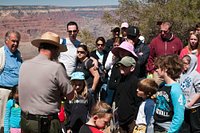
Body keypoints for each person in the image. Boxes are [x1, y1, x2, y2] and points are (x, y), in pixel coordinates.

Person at [18, 32, 74, 133]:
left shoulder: (24, 65)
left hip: (25, 121)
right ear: (55, 50)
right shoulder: (56, 68)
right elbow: (70, 95)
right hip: (46, 123)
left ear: (40, 48)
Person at [154, 54, 185, 133]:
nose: (156, 70)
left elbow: (179, 115)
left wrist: (171, 131)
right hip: (157, 125)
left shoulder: (175, 90)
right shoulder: (162, 85)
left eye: (158, 67)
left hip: (167, 128)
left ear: (166, 69)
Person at [0, 30, 22, 132]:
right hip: (4, 93)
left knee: (13, 121)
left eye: (17, 41)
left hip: (16, 95)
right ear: (6, 40)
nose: (15, 44)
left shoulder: (18, 55)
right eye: (13, 41)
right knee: (3, 122)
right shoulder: (1, 53)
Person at [113, 56, 141, 133]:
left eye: (125, 66)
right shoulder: (120, 79)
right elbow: (118, 96)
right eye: (121, 66)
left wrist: (135, 118)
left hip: (131, 119)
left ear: (132, 68)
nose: (121, 68)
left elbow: (138, 101)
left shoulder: (135, 82)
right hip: (121, 118)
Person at [179, 54, 200, 133]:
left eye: (186, 63)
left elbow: (199, 92)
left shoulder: (196, 76)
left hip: (193, 107)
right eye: (182, 62)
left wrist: (190, 103)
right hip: (183, 106)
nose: (183, 65)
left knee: (195, 127)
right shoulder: (182, 74)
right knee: (185, 128)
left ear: (192, 64)